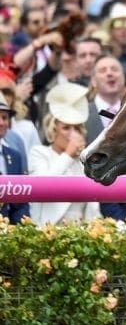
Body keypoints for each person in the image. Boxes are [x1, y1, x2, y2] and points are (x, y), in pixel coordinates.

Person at [28, 82, 101, 225]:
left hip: (80, 234)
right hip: (49, 230)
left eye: (77, 128)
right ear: (53, 130)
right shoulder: (39, 153)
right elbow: (42, 189)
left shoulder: (82, 162)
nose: (72, 134)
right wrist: (68, 154)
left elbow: (92, 204)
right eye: (66, 128)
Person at [0, 92, 30, 224]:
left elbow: (20, 203)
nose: (1, 122)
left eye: (5, 117)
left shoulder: (14, 156)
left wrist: (19, 232)